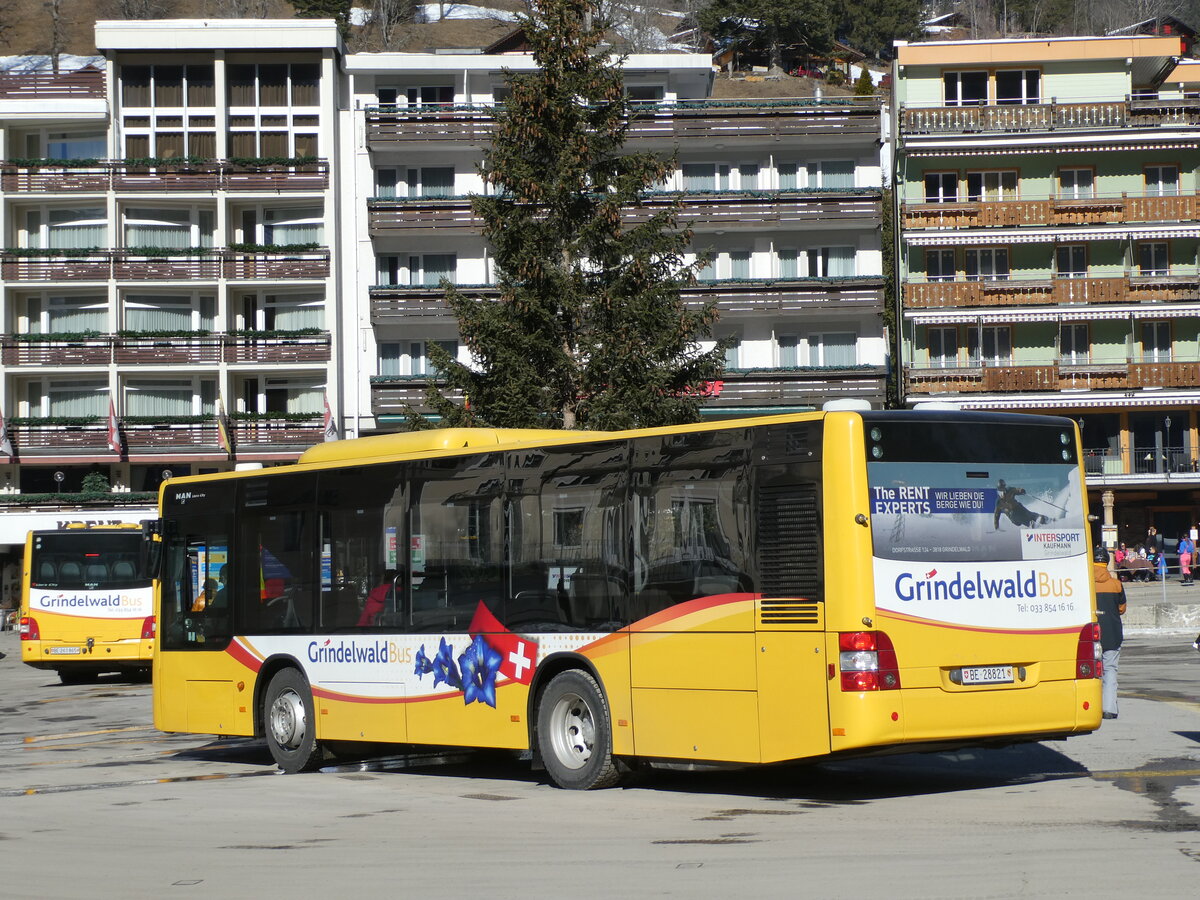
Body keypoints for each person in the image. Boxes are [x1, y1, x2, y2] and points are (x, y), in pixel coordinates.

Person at [1092, 545, 1126, 720]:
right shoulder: (1116, 584)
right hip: (1112, 633)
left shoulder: (1086, 583)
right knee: (1110, 669)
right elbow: (1122, 608)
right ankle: (1109, 708)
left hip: (1090, 635)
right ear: (1106, 562)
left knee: (1090, 671)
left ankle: (1091, 707)